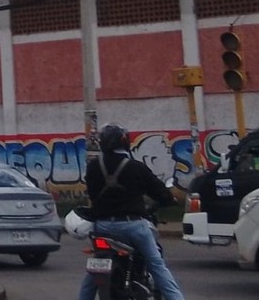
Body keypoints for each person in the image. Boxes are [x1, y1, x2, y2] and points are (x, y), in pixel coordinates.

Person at [77, 123, 185, 300]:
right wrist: (169, 199)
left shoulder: (93, 167)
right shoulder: (136, 167)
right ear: (124, 142)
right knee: (156, 264)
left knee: (93, 271)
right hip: (133, 225)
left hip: (103, 227)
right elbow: (158, 191)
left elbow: (93, 193)